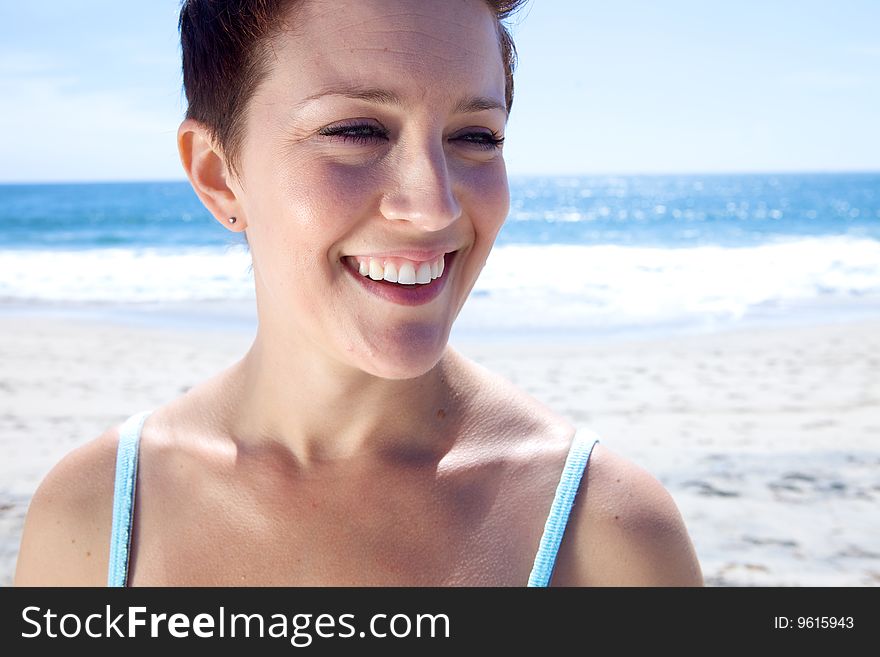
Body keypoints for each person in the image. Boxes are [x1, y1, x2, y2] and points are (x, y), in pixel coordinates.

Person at [14, 0, 702, 586]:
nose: (432, 205)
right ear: (219, 175)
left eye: (476, 137)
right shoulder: (95, 518)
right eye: (357, 130)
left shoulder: (610, 534)